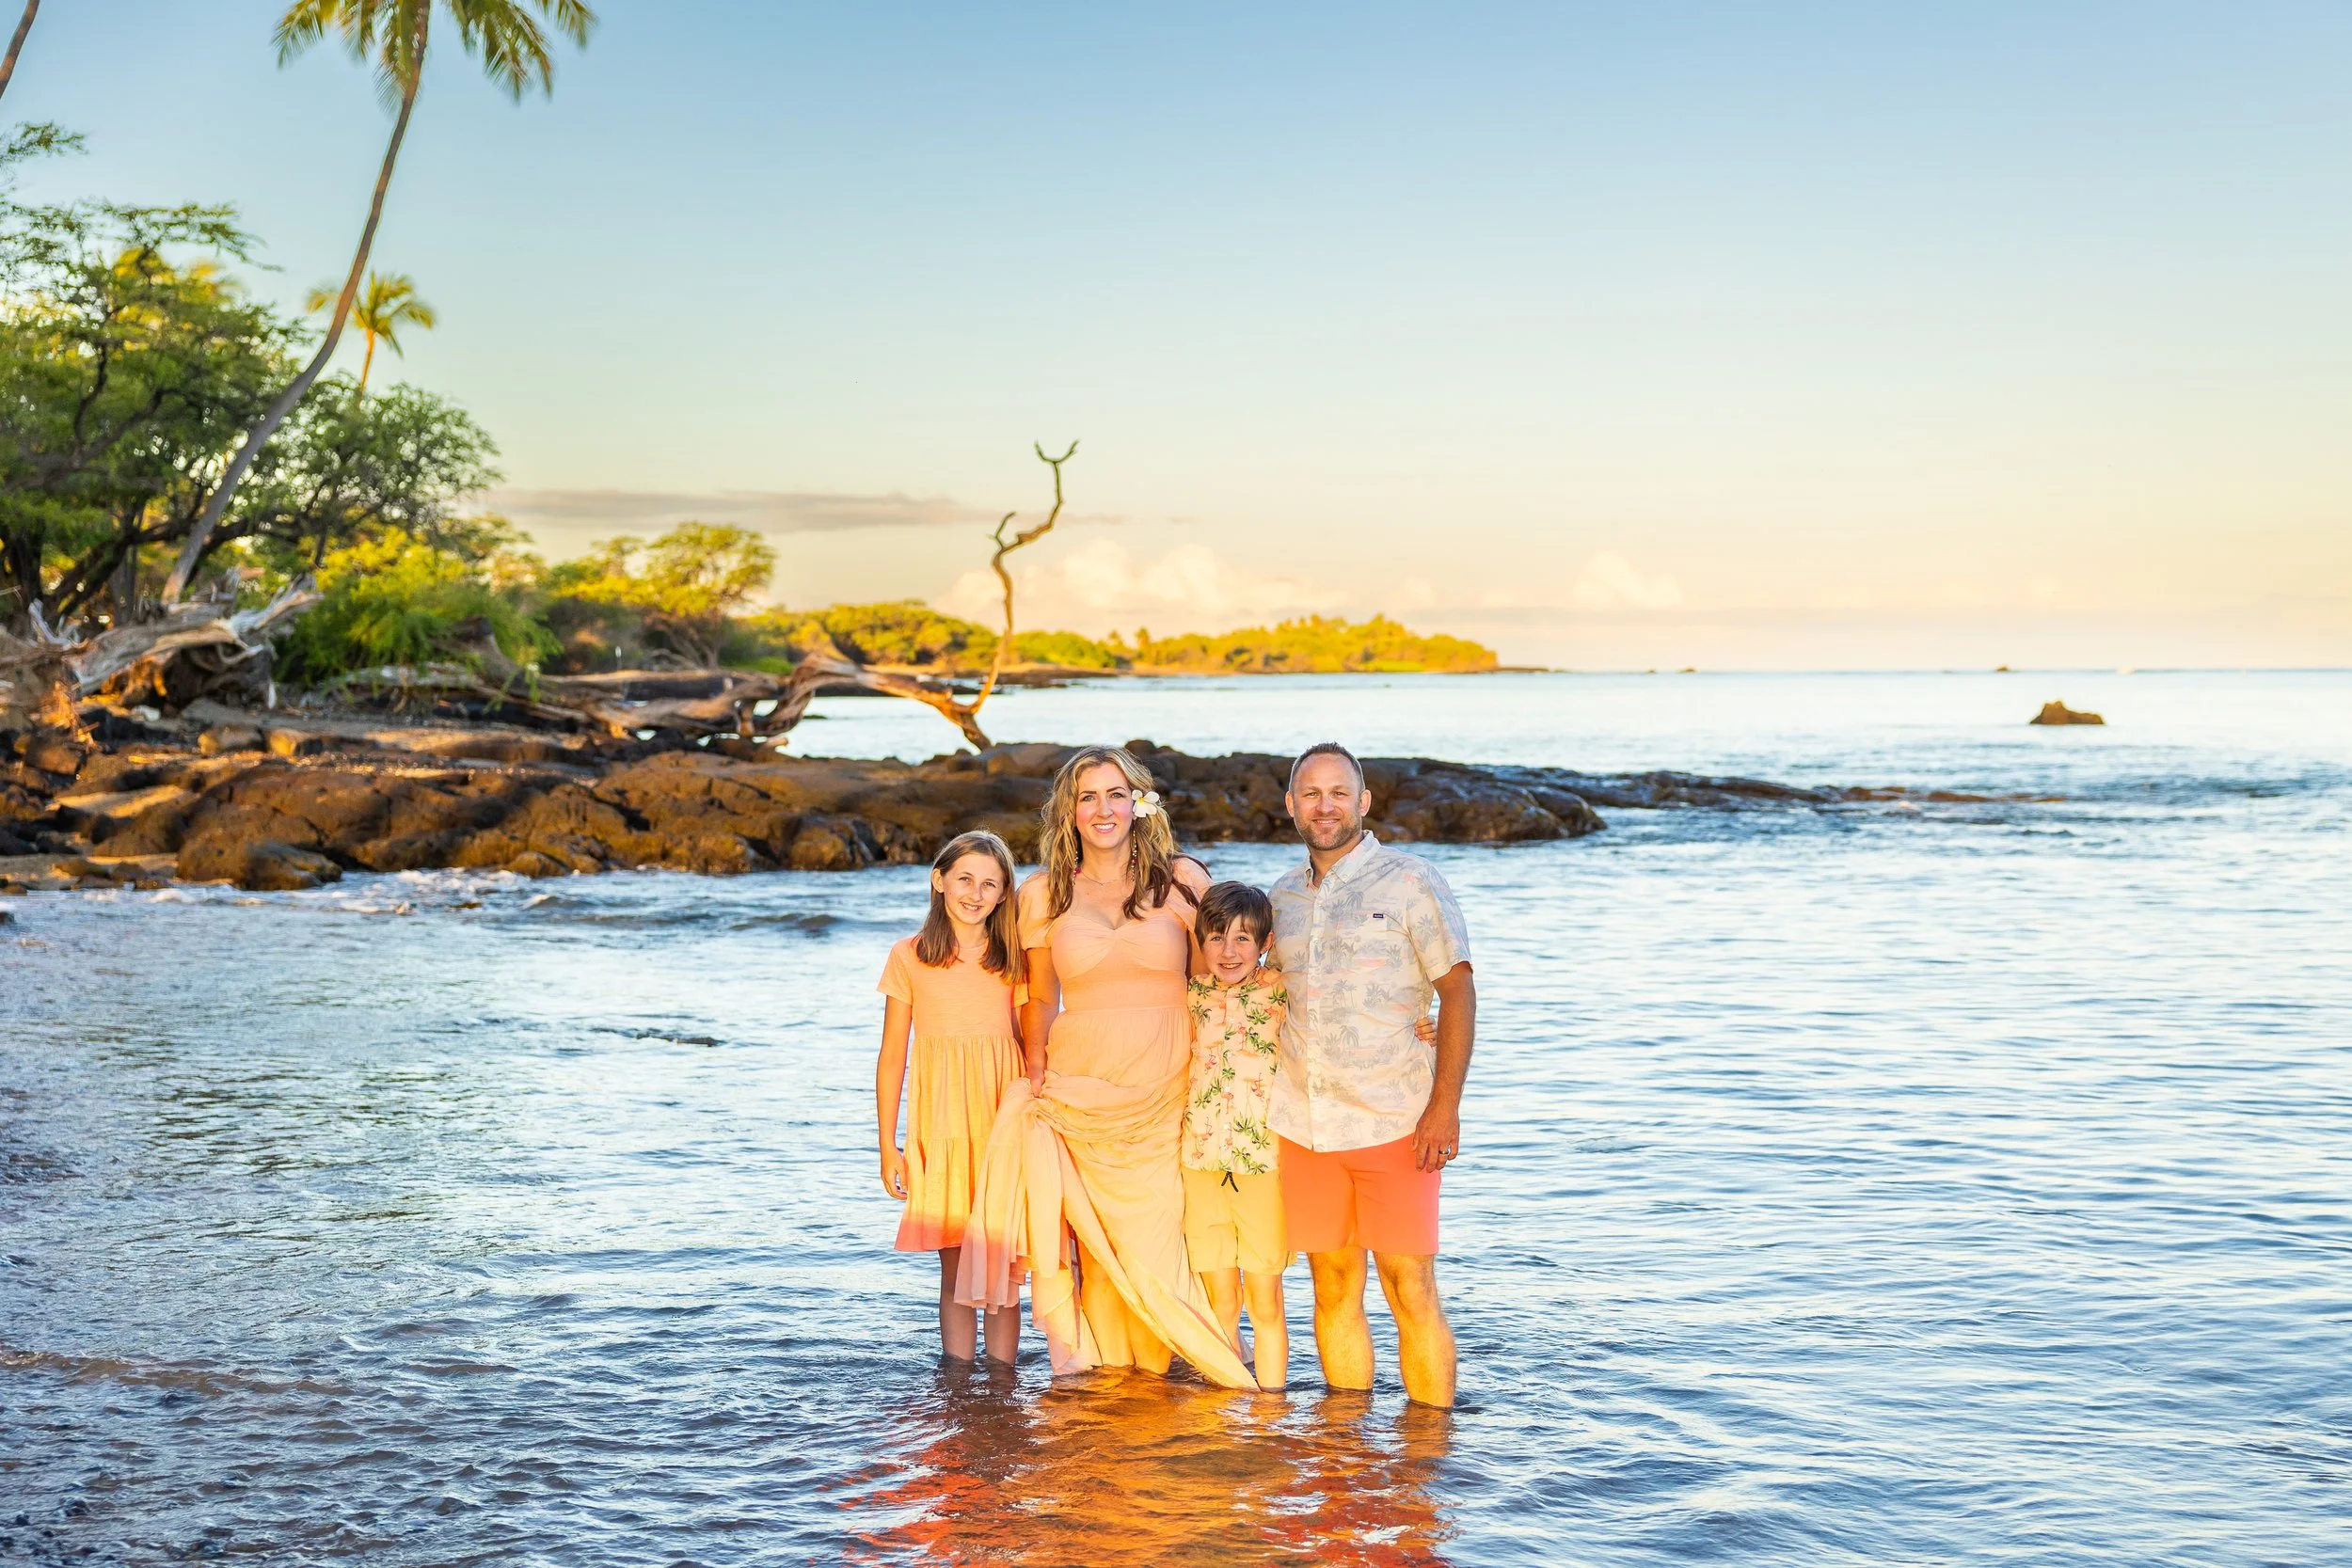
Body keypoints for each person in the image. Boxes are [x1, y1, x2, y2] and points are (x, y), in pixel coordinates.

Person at [957, 746, 1255, 1389]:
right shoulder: (1041, 894)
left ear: (1137, 802)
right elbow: (1040, 994)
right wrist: (1034, 1067)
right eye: (1087, 796)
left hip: (1167, 1083)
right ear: (1069, 810)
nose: (1102, 809)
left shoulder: (1181, 881)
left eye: (1115, 794)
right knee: (1097, 1245)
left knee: (1157, 1238)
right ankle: (1111, 1398)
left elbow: (1222, 979)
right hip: (1080, 1086)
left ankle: (1204, 1377)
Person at [1271, 742, 1476, 1408]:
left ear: (1363, 803)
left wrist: (1444, 1106)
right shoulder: (1278, 899)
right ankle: (1344, 1459)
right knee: (1331, 1286)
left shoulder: (1411, 880)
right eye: (1310, 793)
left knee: (1408, 1288)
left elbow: (1459, 990)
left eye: (1338, 793)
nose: (1323, 805)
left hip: (1395, 1118)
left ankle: (1428, 1460)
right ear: (1290, 806)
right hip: (1304, 1126)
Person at [875, 831, 1028, 1365]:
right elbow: (892, 1055)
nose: (975, 892)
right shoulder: (909, 957)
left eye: (990, 883)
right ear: (939, 881)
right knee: (955, 1260)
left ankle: (1003, 1387)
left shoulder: (1015, 959)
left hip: (1003, 1123)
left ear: (1005, 893)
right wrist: (887, 1146)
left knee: (1005, 1259)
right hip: (941, 1125)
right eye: (964, 878)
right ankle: (961, 1384)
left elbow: (1032, 1042)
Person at [1180, 881, 1293, 1390]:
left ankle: (1270, 1409)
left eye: (1243, 939)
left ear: (1265, 942)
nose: (1229, 951)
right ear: (1200, 941)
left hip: (1264, 1166)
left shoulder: (1283, 993)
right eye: (1218, 937)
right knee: (1219, 1299)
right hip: (1200, 1164)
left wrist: (1422, 1026)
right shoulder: (1188, 997)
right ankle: (1223, 1413)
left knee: (1265, 1301)